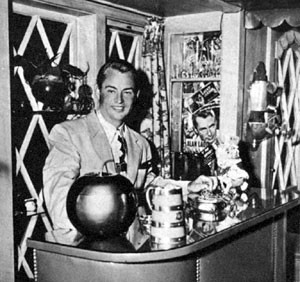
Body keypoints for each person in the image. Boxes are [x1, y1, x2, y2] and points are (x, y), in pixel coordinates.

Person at [43, 59, 216, 245]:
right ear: (98, 90)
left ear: (136, 95)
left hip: (129, 250)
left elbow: (149, 185)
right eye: (111, 90)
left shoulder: (140, 144)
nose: (119, 100)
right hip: (86, 249)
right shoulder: (69, 133)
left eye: (127, 92)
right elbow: (58, 196)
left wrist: (187, 188)